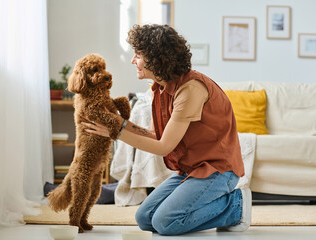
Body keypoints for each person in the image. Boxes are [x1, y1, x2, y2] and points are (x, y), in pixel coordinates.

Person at [81, 24, 252, 235]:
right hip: (191, 170)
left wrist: (116, 133)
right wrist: (117, 123)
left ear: (156, 58)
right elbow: (156, 135)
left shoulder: (190, 89)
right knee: (144, 218)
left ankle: (236, 205)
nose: (133, 60)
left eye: (138, 55)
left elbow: (163, 146)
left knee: (165, 222)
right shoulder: (158, 88)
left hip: (217, 170)